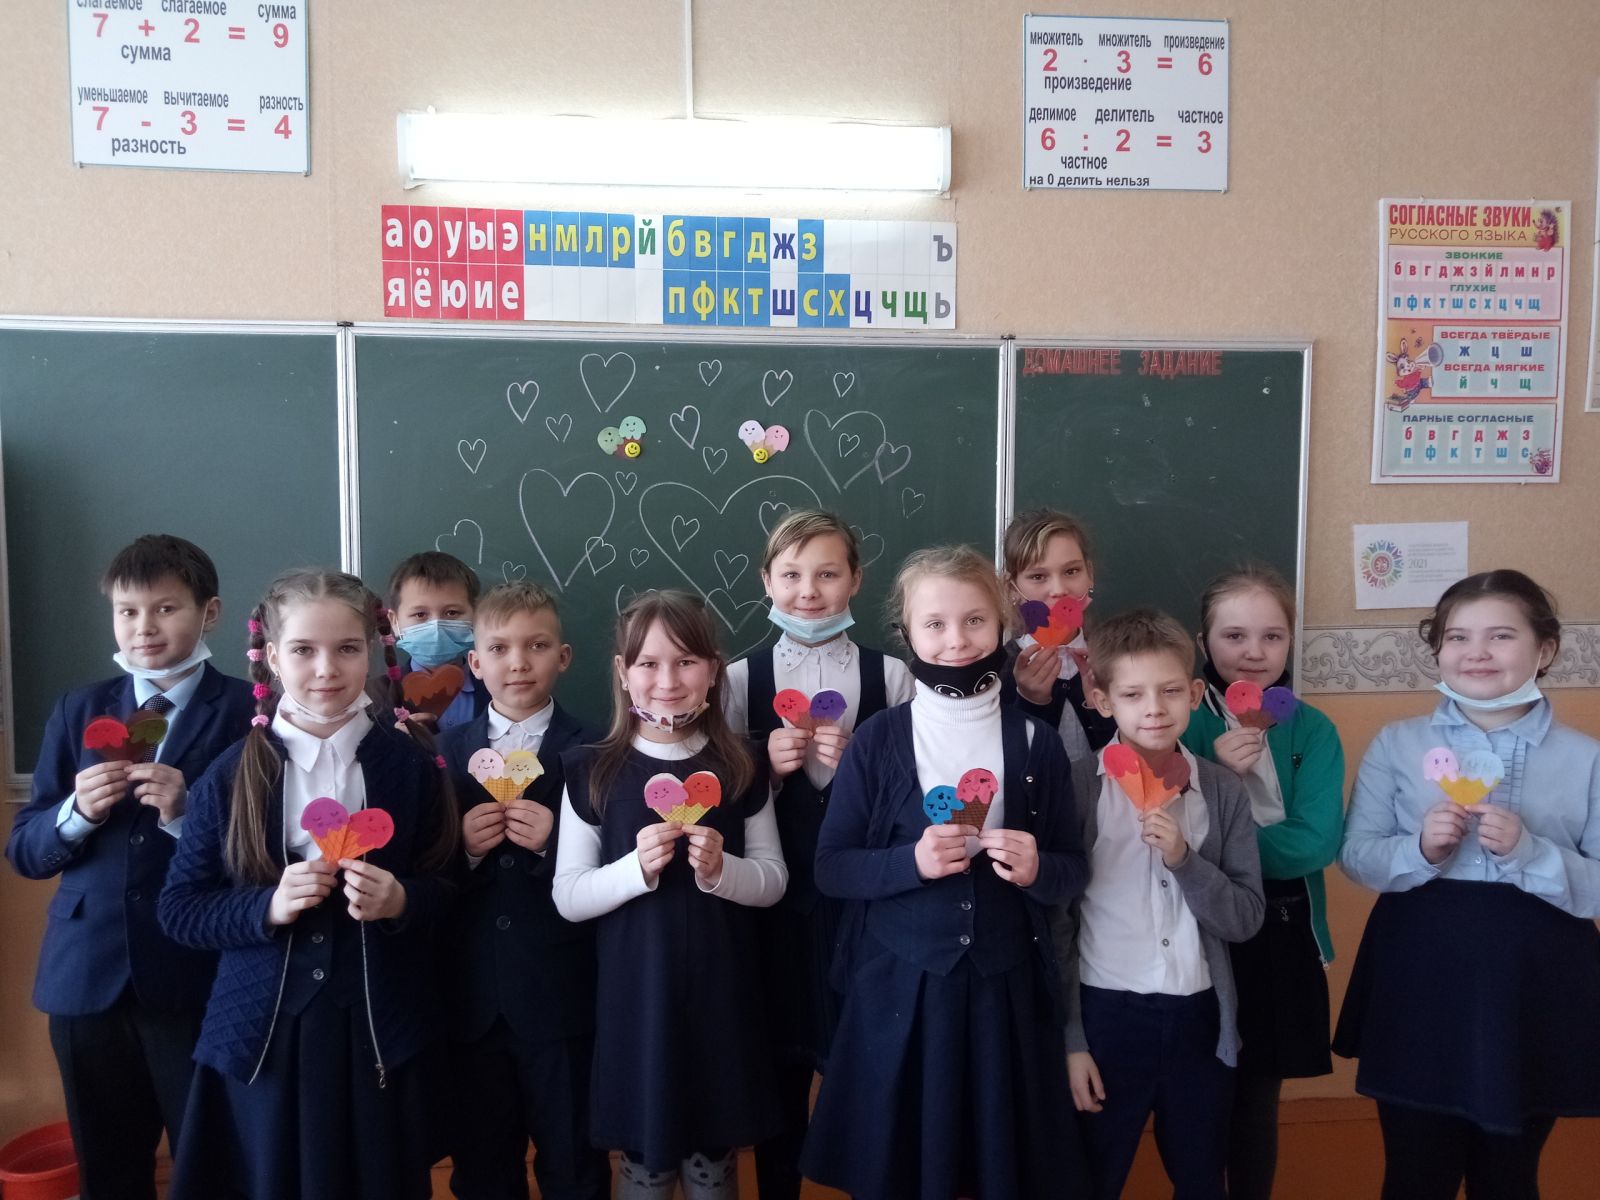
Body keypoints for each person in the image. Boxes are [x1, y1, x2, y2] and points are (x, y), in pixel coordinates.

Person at [158, 568, 458, 1199]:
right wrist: (266, 906)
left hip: (377, 1031)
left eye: (346, 648)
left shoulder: (411, 766)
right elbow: (181, 909)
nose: (326, 669)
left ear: (371, 651)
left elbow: (451, 888)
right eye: (303, 650)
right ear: (271, 657)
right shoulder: (232, 773)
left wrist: (402, 899)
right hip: (263, 1041)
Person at [803, 545, 1089, 1199]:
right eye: (934, 623)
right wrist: (912, 862)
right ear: (906, 633)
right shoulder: (877, 740)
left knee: (996, 1169)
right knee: (902, 1168)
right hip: (899, 991)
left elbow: (1073, 869)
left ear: (1003, 624)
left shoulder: (1035, 743)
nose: (956, 640)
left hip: (1003, 994)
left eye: (974, 620)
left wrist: (1038, 868)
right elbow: (832, 867)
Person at [1336, 569, 1600, 1200]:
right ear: (1438, 650)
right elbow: (1356, 856)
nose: (1476, 652)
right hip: (1420, 974)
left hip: (1533, 983)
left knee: (1508, 1175)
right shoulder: (1397, 744)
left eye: (1501, 635)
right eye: (1457, 637)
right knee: (1414, 1172)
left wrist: (1532, 853)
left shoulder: (1586, 757)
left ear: (1545, 649)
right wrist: (1421, 848)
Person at [5, 533, 253, 1200]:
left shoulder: (250, 712)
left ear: (210, 613)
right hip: (86, 974)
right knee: (108, 1170)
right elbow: (26, 849)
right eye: (127, 611)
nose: (144, 627)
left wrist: (188, 814)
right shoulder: (80, 708)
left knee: (212, 1165)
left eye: (165, 608)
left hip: (195, 976)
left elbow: (266, 854)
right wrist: (74, 814)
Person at [553, 590, 786, 1199]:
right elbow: (569, 895)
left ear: (713, 669)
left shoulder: (742, 764)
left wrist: (721, 871)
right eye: (649, 663)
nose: (667, 681)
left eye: (686, 662)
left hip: (721, 999)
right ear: (622, 671)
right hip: (637, 1003)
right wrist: (635, 868)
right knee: (645, 1159)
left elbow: (773, 880)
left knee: (714, 1158)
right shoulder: (590, 770)